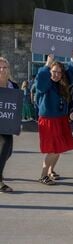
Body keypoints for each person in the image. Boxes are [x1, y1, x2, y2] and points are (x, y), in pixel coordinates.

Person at [35, 48, 73, 185]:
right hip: (48, 120)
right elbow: (40, 82)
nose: (56, 74)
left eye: (59, 72)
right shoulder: (45, 83)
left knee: (59, 149)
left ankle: (50, 171)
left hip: (61, 119)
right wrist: (47, 64)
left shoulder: (62, 84)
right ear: (49, 71)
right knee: (53, 149)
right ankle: (43, 175)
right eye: (54, 71)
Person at [0, 57, 19, 192]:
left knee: (8, 152)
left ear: (8, 69)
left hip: (7, 123)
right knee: (5, 147)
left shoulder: (14, 86)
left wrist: (17, 122)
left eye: (4, 67)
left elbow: (16, 106)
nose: (2, 69)